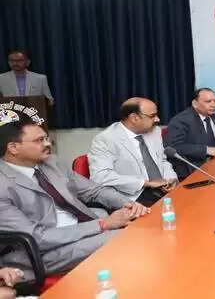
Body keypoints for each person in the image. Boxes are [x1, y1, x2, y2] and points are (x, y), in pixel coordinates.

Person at [0, 119, 149, 280]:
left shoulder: (51, 162)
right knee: (127, 238)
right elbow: (37, 238)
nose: (48, 143)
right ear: (13, 148)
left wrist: (128, 203)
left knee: (141, 225)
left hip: (79, 227)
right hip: (41, 252)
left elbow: (94, 191)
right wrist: (103, 224)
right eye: (39, 140)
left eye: (46, 138)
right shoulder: (3, 185)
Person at [89, 98, 178, 207]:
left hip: (162, 189)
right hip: (133, 196)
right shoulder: (106, 139)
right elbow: (100, 176)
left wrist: (170, 179)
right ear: (134, 118)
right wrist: (145, 183)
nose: (157, 119)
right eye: (152, 116)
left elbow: (162, 160)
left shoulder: (154, 131)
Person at [165, 88, 215, 180]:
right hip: (191, 172)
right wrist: (205, 150)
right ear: (195, 104)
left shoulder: (211, 116)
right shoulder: (181, 120)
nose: (213, 105)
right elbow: (173, 147)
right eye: (208, 101)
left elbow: (212, 138)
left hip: (214, 167)